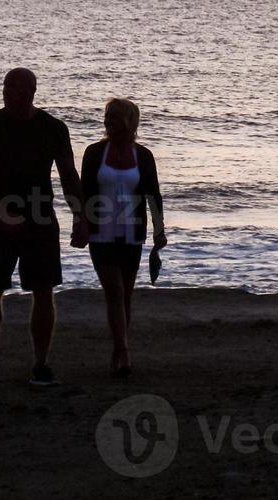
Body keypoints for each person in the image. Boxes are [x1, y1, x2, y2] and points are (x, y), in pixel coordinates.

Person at [0, 68, 85, 387]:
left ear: (32, 90)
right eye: (6, 87)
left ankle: (41, 362)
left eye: (17, 88)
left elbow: (68, 175)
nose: (9, 93)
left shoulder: (52, 128)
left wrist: (80, 215)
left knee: (44, 291)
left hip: (40, 216)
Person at [81, 98, 167, 379]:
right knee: (114, 293)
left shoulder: (143, 156)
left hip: (132, 234)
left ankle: (118, 350)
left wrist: (159, 230)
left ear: (130, 121)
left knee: (125, 296)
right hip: (101, 232)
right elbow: (83, 194)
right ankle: (123, 352)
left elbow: (153, 195)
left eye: (114, 116)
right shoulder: (94, 153)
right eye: (107, 116)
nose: (108, 121)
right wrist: (80, 224)